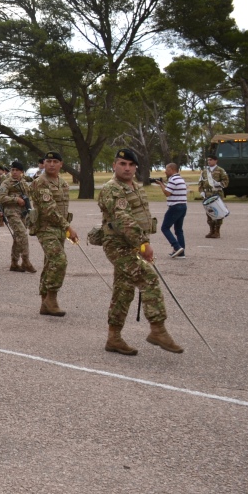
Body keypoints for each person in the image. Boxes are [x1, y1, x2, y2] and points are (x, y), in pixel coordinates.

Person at [98, 149, 183, 355]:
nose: (127, 168)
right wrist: (143, 243)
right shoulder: (112, 189)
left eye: (131, 165)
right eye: (122, 164)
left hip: (134, 243)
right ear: (114, 165)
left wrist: (141, 242)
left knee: (123, 291)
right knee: (149, 278)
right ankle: (157, 329)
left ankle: (113, 337)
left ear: (136, 167)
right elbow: (123, 219)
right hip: (119, 245)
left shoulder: (135, 187)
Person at [30, 151, 76, 316]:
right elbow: (49, 210)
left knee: (50, 263)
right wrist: (68, 227)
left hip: (60, 228)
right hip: (46, 227)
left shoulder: (63, 183)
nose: (51, 164)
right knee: (59, 260)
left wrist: (65, 227)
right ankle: (51, 298)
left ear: (61, 164)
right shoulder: (41, 183)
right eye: (48, 161)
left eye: (55, 161)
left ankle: (44, 302)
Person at [0, 161, 36, 273]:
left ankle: (14, 263)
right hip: (11, 212)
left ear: (22, 172)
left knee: (17, 237)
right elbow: (1, 197)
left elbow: (29, 194)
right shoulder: (6, 183)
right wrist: (16, 199)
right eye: (12, 170)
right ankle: (25, 261)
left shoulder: (23, 183)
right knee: (22, 233)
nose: (14, 172)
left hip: (22, 213)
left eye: (17, 170)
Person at [156, 163, 187, 258]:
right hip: (183, 206)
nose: (165, 171)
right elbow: (172, 190)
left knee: (165, 227)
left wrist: (161, 185)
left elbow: (167, 193)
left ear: (172, 169)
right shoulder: (180, 179)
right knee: (178, 230)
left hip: (174, 207)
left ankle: (176, 246)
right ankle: (181, 252)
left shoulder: (173, 179)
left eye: (167, 169)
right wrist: (164, 184)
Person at [198, 154, 229, 238]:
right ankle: (211, 230)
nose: (209, 161)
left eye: (211, 160)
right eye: (208, 160)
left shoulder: (220, 170)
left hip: (217, 194)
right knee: (209, 212)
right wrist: (201, 191)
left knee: (218, 212)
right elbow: (200, 183)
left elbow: (226, 182)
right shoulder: (204, 171)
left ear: (216, 160)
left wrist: (219, 184)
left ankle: (217, 231)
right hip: (207, 194)